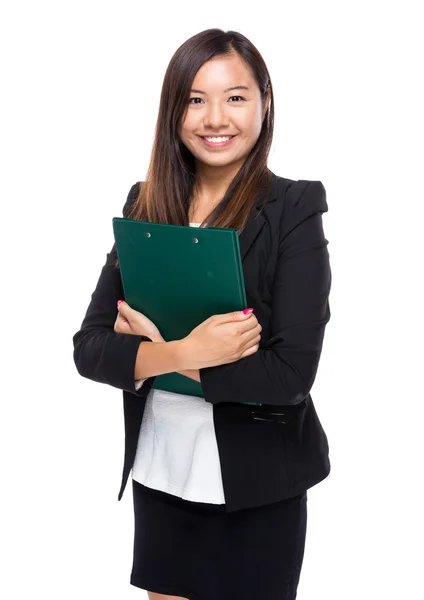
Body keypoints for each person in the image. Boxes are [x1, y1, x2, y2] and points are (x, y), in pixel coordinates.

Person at [72, 27, 332, 600]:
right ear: (174, 111)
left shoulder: (293, 208)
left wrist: (151, 355)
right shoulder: (146, 205)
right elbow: (89, 348)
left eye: (235, 97)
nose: (216, 118)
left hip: (260, 482)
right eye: (196, 98)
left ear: (265, 101)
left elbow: (290, 376)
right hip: (164, 470)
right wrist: (192, 352)